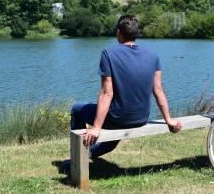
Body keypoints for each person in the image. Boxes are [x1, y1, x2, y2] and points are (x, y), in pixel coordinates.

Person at [70, 15, 182, 158]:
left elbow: (107, 93)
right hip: (141, 118)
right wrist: (168, 119)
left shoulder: (108, 54)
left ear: (118, 32)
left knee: (77, 109)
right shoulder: (153, 55)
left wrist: (97, 127)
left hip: (116, 119)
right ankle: (89, 154)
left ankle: (79, 157)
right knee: (115, 117)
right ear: (137, 33)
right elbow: (158, 90)